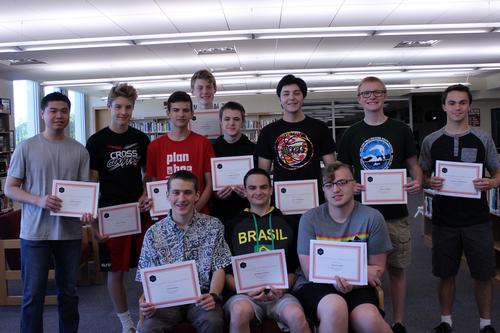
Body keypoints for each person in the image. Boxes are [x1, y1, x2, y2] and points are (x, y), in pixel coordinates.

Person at [337, 76, 422, 333]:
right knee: (362, 272)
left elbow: (414, 166)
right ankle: (368, 318)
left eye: (377, 92)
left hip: (395, 214)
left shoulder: (400, 130)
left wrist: (418, 181)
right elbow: (343, 172)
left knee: (396, 270)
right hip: (360, 216)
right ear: (359, 98)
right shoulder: (351, 133)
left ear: (385, 96)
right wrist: (351, 184)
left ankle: (398, 322)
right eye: (366, 93)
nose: (372, 97)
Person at [4, 92, 93, 333]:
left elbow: (85, 192)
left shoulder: (79, 151)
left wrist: (86, 212)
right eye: (53, 110)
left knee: (69, 294)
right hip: (35, 234)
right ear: (42, 114)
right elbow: (10, 188)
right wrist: (38, 200)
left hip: (70, 234)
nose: (59, 116)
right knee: (33, 295)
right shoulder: (27, 147)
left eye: (64, 111)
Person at [419, 84, 499, 333]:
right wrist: (428, 181)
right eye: (452, 103)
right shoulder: (431, 140)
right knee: (446, 274)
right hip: (444, 220)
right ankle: (446, 321)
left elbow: (498, 171)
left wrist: (492, 182)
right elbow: (421, 173)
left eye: (462, 102)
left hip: (477, 219)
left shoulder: (482, 137)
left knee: (484, 274)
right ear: (444, 106)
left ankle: (485, 324)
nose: (457, 107)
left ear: (469, 105)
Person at [293, 162, 392, 333]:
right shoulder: (309, 219)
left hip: (358, 286)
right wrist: (360, 272)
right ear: (323, 190)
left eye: (342, 183)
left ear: (354, 185)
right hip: (316, 285)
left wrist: (353, 281)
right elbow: (310, 272)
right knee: (335, 308)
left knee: (370, 321)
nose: (335, 190)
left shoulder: (372, 218)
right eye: (329, 185)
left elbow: (376, 270)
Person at [85, 83, 152, 333]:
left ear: (132, 109)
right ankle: (126, 323)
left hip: (139, 212)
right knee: (116, 271)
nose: (123, 112)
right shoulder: (96, 141)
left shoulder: (140, 139)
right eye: (118, 106)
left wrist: (146, 192)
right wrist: (92, 224)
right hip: (110, 214)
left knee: (147, 267)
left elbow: (148, 175)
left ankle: (148, 317)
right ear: (109, 106)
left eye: (128, 107)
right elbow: (92, 183)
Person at [136, 170, 231, 333]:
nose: (181, 198)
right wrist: (146, 302)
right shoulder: (153, 233)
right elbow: (148, 275)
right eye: (176, 193)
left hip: (201, 297)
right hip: (165, 301)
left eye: (187, 192)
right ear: (167, 195)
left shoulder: (213, 226)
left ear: (197, 195)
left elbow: (219, 267)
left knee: (213, 322)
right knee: (148, 328)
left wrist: (213, 295)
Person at [224, 168, 310, 333]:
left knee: (297, 315)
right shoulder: (231, 226)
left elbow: (294, 269)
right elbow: (226, 273)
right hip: (245, 295)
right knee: (239, 312)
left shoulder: (289, 223)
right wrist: (246, 290)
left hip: (280, 295)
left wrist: (283, 289)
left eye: (263, 187)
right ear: (245, 191)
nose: (258, 192)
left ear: (271, 190)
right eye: (252, 188)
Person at [256, 74, 336, 204]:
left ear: (303, 97)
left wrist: (332, 191)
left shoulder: (319, 127)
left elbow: (332, 168)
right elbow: (262, 174)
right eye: (286, 94)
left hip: (314, 198)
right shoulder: (268, 132)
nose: (291, 98)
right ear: (280, 98)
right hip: (282, 199)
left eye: (296, 93)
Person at [146, 91, 214, 213]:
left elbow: (210, 184)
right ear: (168, 113)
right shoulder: (155, 146)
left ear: (192, 113)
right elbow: (154, 183)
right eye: (176, 110)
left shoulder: (203, 143)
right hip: (166, 216)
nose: (181, 114)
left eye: (185, 110)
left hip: (198, 214)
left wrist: (194, 211)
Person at [211, 101, 256, 224]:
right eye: (227, 119)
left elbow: (259, 180)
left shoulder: (253, 149)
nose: (231, 123)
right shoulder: (211, 150)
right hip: (219, 213)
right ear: (220, 122)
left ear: (243, 121)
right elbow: (207, 182)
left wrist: (249, 192)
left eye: (236, 119)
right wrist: (215, 194)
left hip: (247, 211)